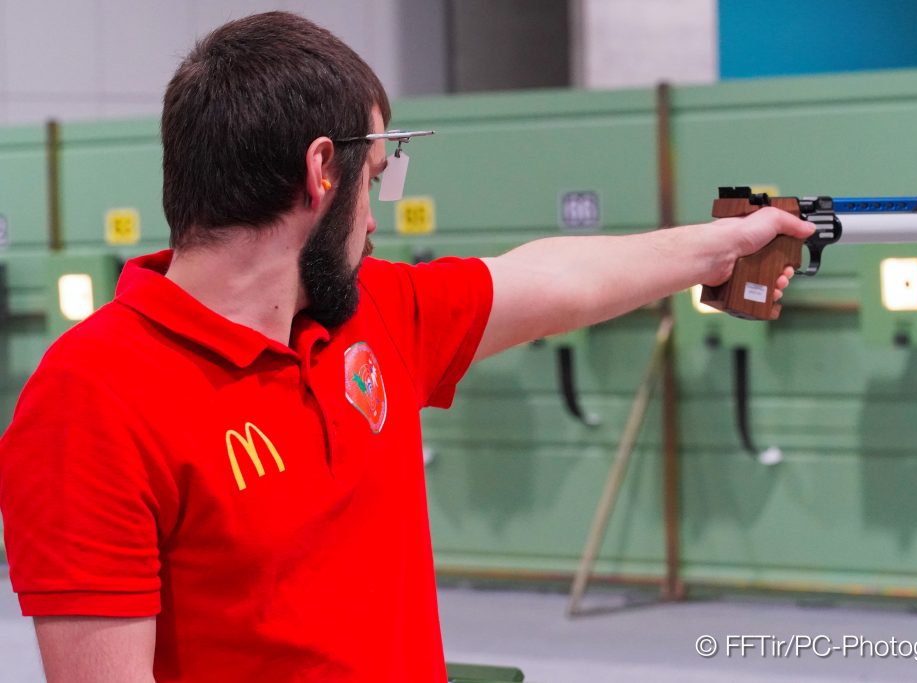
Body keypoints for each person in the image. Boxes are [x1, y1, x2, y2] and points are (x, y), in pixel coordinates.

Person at [0, 11, 813, 683]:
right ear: (323, 170)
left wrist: (723, 247)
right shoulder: (91, 399)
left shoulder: (372, 312)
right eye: (377, 174)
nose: (374, 216)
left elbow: (555, 278)